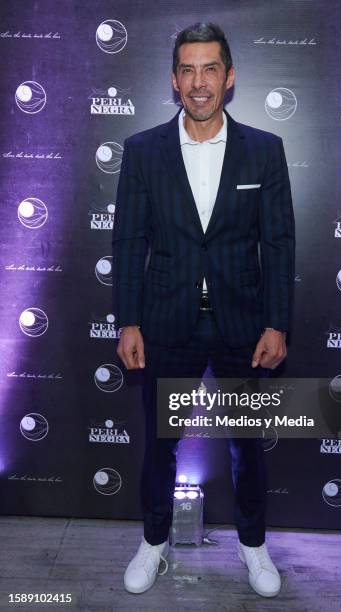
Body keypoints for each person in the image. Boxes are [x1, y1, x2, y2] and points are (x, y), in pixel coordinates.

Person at [112, 22, 295, 598]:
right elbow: (127, 241)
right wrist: (129, 319)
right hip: (168, 322)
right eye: (187, 70)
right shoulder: (143, 151)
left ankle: (254, 548)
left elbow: (280, 243)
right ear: (173, 80)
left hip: (242, 325)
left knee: (246, 447)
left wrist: (277, 322)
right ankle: (154, 542)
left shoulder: (264, 150)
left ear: (230, 76)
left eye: (210, 68)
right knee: (161, 447)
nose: (199, 82)